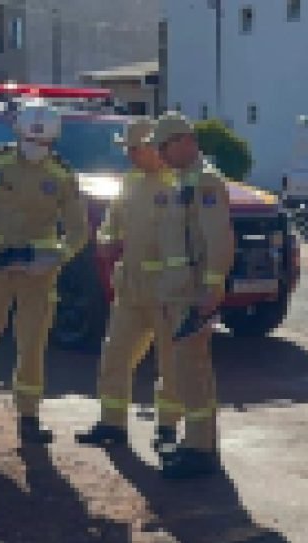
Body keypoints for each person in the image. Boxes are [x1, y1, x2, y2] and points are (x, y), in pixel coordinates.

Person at [0, 101, 89, 443]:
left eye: (42, 143)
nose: (35, 148)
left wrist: (57, 257)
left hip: (37, 274)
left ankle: (28, 418)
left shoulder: (61, 174)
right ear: (17, 134)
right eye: (30, 140)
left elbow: (78, 230)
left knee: (32, 345)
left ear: (53, 142)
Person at [75, 118, 182, 452]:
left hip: (167, 291)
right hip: (131, 289)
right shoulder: (131, 182)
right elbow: (112, 224)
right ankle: (112, 423)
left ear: (153, 149)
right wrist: (107, 240)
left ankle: (166, 430)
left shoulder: (181, 185)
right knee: (115, 355)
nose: (131, 156)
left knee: (170, 364)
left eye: (135, 150)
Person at [151, 112, 234, 479]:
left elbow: (219, 239)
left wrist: (213, 287)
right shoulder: (183, 181)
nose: (161, 155)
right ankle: (197, 443)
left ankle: (201, 451)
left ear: (184, 142)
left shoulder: (204, 183)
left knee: (193, 371)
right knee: (188, 372)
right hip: (179, 293)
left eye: (164, 147)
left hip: (193, 294)